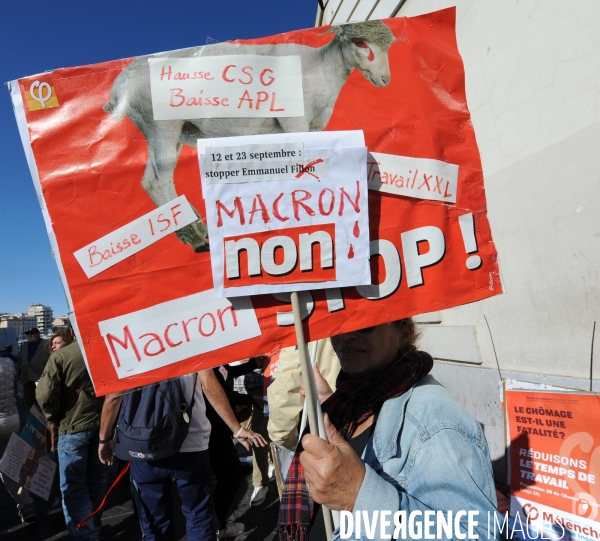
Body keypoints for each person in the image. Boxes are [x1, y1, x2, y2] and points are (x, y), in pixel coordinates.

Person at [278, 319, 499, 541]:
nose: (346, 335)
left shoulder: (434, 419)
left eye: (364, 322)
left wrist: (358, 494)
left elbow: (477, 535)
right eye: (337, 323)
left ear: (405, 332)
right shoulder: (346, 403)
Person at [98, 369, 268, 541]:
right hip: (191, 443)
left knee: (154, 522)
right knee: (198, 516)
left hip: (144, 445)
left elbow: (113, 397)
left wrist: (104, 439)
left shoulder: (126, 347)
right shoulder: (191, 343)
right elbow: (208, 384)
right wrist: (237, 429)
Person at [36, 338, 108, 541]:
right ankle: (94, 526)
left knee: (74, 486)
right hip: (102, 423)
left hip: (72, 425)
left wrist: (52, 416)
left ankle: (87, 533)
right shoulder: (104, 347)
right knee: (96, 481)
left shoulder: (61, 356)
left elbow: (45, 395)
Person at [267, 340, 340, 451]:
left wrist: (284, 439)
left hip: (327, 431)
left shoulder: (302, 327)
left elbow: (286, 386)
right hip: (365, 417)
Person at [0, 349, 36, 523]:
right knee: (10, 464)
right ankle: (25, 503)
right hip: (12, 417)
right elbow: (18, 385)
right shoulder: (8, 363)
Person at [17, 327, 50, 409]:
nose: (29, 335)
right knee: (29, 400)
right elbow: (21, 359)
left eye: (32, 333)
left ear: (38, 334)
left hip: (40, 376)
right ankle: (31, 418)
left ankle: (46, 418)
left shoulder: (46, 344)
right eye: (28, 334)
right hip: (27, 377)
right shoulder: (24, 346)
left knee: (44, 399)